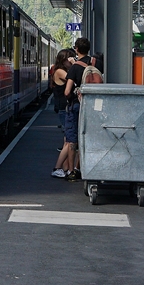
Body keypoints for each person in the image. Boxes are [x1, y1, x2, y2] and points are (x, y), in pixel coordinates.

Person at [58, 37, 93, 182]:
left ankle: (72, 171)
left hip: (76, 105)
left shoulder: (74, 68)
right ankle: (82, 168)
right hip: (92, 106)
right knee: (86, 137)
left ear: (77, 49)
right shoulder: (96, 63)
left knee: (72, 140)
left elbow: (67, 91)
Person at [49, 50, 75, 177]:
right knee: (69, 140)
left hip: (65, 108)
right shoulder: (59, 71)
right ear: (63, 60)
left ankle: (64, 168)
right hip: (63, 108)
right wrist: (75, 64)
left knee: (67, 139)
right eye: (68, 59)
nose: (70, 61)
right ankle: (57, 168)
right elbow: (72, 78)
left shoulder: (60, 70)